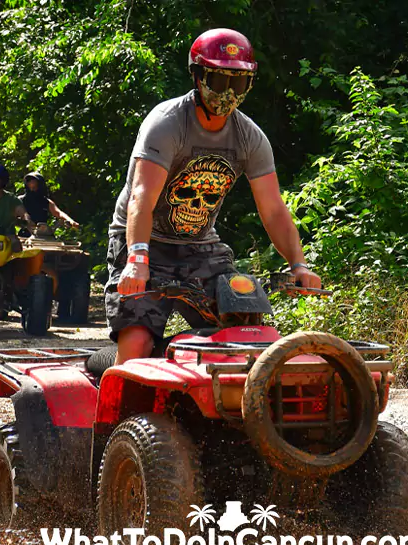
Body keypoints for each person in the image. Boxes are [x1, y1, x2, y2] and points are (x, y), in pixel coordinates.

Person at [107, 28, 321, 365]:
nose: (228, 93)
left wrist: (299, 264)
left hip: (200, 245)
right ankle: (115, 416)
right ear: (198, 75)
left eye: (238, 83)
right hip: (144, 239)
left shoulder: (250, 137)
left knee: (244, 329)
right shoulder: (166, 124)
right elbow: (141, 197)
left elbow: (274, 211)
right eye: (219, 81)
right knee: (137, 342)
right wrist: (136, 260)